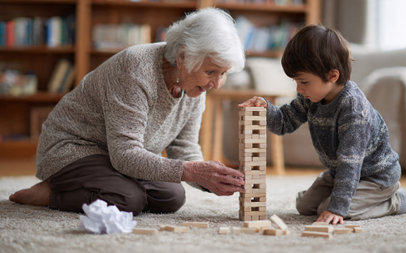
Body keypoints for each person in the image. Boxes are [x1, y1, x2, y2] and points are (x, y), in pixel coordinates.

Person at [9, 8, 246, 216]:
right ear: (183, 57)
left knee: (172, 196)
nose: (217, 84)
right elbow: (125, 155)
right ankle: (50, 194)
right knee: (128, 199)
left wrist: (212, 179)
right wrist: (193, 172)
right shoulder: (136, 69)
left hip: (116, 158)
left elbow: (183, 149)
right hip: (73, 148)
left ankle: (105, 185)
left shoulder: (196, 86)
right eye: (212, 72)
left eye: (223, 73)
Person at [238, 25, 406, 224]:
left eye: (304, 82)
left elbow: (350, 163)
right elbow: (284, 123)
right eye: (296, 82)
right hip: (340, 173)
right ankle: (342, 199)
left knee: (332, 210)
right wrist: (266, 109)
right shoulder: (310, 98)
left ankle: (395, 201)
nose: (299, 89)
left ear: (332, 76)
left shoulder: (354, 110)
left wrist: (337, 208)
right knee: (305, 206)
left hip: (375, 178)